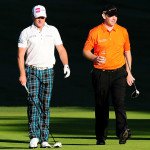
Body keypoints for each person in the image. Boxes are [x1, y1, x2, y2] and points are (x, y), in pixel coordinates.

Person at [17, 5, 70, 148]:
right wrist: (22, 74)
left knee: (45, 105)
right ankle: (34, 136)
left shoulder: (52, 30)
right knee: (33, 103)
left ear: (45, 17)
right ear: (33, 17)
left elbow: (61, 49)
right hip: (32, 71)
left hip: (48, 71)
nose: (40, 19)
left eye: (42, 17)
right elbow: (20, 56)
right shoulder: (26, 32)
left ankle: (44, 138)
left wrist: (66, 64)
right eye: (37, 17)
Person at [83, 4, 135, 145]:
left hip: (119, 72)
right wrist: (94, 57)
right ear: (104, 15)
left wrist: (129, 73)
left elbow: (127, 52)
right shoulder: (95, 32)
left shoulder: (123, 31)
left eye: (115, 15)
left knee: (120, 103)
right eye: (111, 15)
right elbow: (86, 51)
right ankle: (101, 137)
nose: (114, 18)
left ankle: (122, 132)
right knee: (101, 105)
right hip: (101, 73)